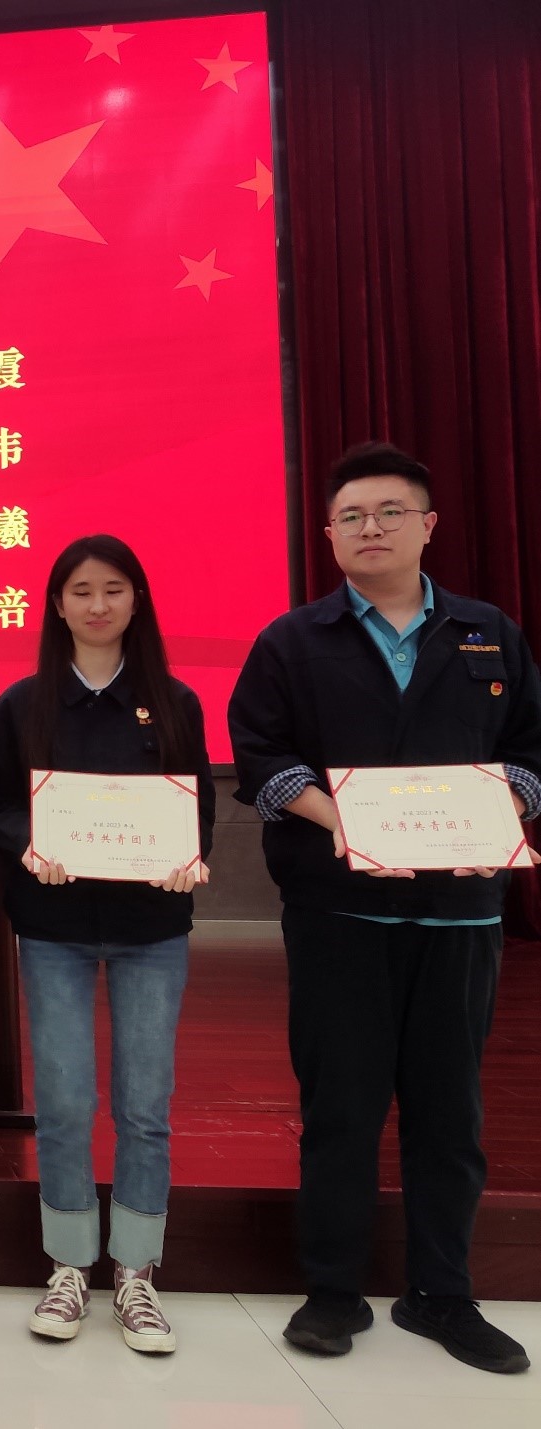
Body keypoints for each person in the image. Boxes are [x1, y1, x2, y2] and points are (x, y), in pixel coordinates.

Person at [228, 443, 538, 1375]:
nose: (370, 528)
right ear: (327, 533)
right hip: (339, 914)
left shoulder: (487, 633)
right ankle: (332, 1288)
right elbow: (262, 759)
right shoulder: (291, 641)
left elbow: (530, 752)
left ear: (427, 525)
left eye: (389, 511)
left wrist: (499, 814)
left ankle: (442, 1291)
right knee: (340, 1105)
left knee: (448, 1110)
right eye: (351, 516)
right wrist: (351, 826)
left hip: (459, 913)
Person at [0, 534, 213, 1355]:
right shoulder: (22, 704)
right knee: (65, 1101)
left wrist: (188, 858)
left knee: (144, 1105)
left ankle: (137, 1270)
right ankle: (69, 1263)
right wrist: (29, 841)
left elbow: (195, 810)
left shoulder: (173, 701)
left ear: (135, 600)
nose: (97, 604)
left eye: (112, 589)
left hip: (151, 927)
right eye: (80, 590)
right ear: (56, 605)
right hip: (55, 927)